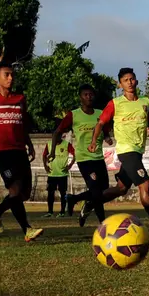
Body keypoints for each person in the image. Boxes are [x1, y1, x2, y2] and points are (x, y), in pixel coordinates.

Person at [87, 68, 149, 235]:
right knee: (145, 184)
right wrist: (94, 141)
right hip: (126, 150)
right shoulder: (115, 103)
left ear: (136, 81)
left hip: (138, 150)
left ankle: (92, 201)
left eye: (132, 79)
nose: (129, 82)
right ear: (120, 84)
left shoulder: (146, 101)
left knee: (121, 189)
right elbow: (100, 123)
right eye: (125, 80)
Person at [0, 62, 44, 242]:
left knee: (23, 194)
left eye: (12, 75)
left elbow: (23, 124)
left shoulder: (19, 99)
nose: (10, 78)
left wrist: (30, 144)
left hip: (20, 150)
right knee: (15, 188)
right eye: (6, 75)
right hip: (2, 152)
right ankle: (27, 230)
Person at [50, 84, 112, 227]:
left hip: (98, 157)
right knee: (96, 191)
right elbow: (57, 133)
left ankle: (74, 199)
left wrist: (107, 138)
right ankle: (103, 223)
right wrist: (52, 151)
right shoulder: (74, 114)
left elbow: (105, 130)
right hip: (84, 159)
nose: (89, 97)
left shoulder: (100, 113)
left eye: (91, 94)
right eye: (86, 94)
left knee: (103, 190)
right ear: (80, 97)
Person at [42, 135, 74, 218]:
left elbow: (75, 154)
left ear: (61, 136)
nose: (55, 138)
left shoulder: (66, 144)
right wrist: (45, 166)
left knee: (63, 193)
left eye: (57, 136)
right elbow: (44, 155)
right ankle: (50, 212)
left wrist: (70, 165)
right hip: (52, 174)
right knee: (50, 193)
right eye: (54, 137)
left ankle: (62, 212)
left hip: (62, 174)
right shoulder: (49, 144)